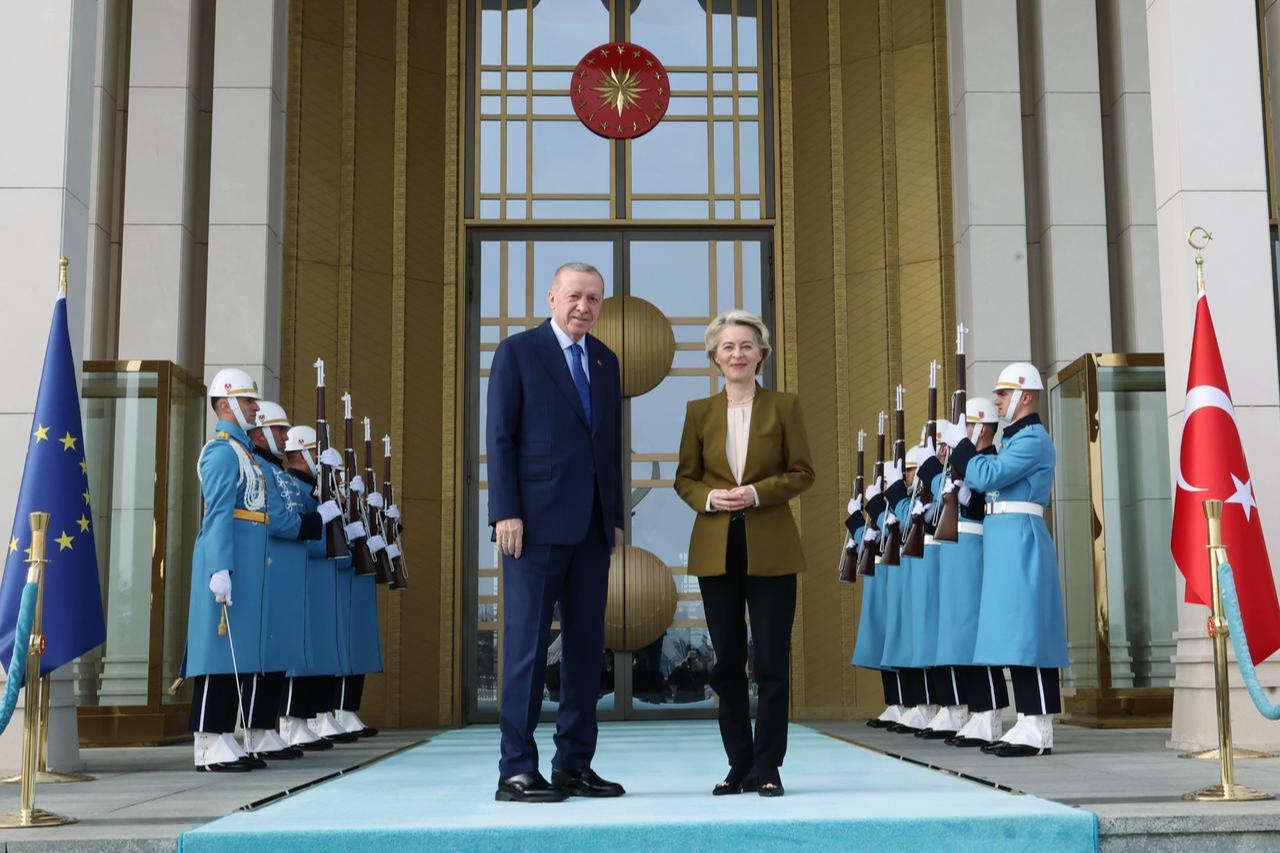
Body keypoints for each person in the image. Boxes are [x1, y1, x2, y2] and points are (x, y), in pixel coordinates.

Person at [487, 261, 626, 803]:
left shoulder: (606, 361)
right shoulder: (518, 352)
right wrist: (505, 512)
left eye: (593, 299)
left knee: (586, 650)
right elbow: (500, 438)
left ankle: (574, 763)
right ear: (551, 297)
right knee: (526, 646)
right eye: (574, 296)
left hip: (592, 528)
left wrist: (613, 517)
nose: (583, 307)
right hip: (533, 525)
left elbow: (607, 448)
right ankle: (516, 769)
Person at [675, 310, 815, 798]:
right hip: (716, 548)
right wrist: (711, 498)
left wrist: (756, 493)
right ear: (715, 356)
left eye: (746, 346)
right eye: (728, 346)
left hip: (771, 547)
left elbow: (802, 473)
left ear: (762, 355)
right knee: (727, 662)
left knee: (772, 661)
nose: (737, 354)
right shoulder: (698, 412)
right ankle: (739, 765)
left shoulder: (785, 407)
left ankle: (769, 766)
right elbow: (685, 479)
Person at [942, 362, 1067, 757]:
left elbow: (986, 474)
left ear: (1026, 396)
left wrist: (963, 445)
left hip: (1021, 537)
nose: (997, 400)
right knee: (1009, 631)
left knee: (1029, 630)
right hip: (1003, 538)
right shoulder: (1016, 440)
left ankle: (1038, 724)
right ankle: (1022, 720)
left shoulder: (1032, 439)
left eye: (1003, 392)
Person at [185, 368, 266, 772]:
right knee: (218, 652)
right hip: (226, 561)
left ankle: (223, 735)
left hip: (244, 563)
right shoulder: (221, 451)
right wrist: (220, 566)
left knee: (236, 652)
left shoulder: (242, 450)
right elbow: (218, 512)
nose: (254, 407)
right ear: (225, 404)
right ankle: (207, 740)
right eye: (248, 400)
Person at [246, 401, 334, 761]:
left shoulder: (277, 473)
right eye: (278, 430)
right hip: (274, 565)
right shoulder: (269, 472)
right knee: (273, 651)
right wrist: (316, 522)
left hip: (291, 568)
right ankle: (269, 724)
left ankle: (275, 724)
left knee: (288, 649)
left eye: (285, 432)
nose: (282, 437)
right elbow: (282, 520)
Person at [939, 397, 1012, 748]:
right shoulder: (967, 465)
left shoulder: (992, 461)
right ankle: (977, 709)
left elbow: (989, 504)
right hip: (961, 554)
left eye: (966, 427)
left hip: (979, 550)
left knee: (978, 633)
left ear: (981, 428)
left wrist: (968, 497)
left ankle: (990, 711)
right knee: (963, 632)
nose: (960, 434)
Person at [277, 424, 340, 751]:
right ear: (300, 453)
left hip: (316, 577)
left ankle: (309, 715)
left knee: (316, 653)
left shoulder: (311, 489)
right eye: (314, 452)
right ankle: (292, 719)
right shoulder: (291, 486)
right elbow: (301, 535)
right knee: (298, 655)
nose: (318, 458)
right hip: (301, 574)